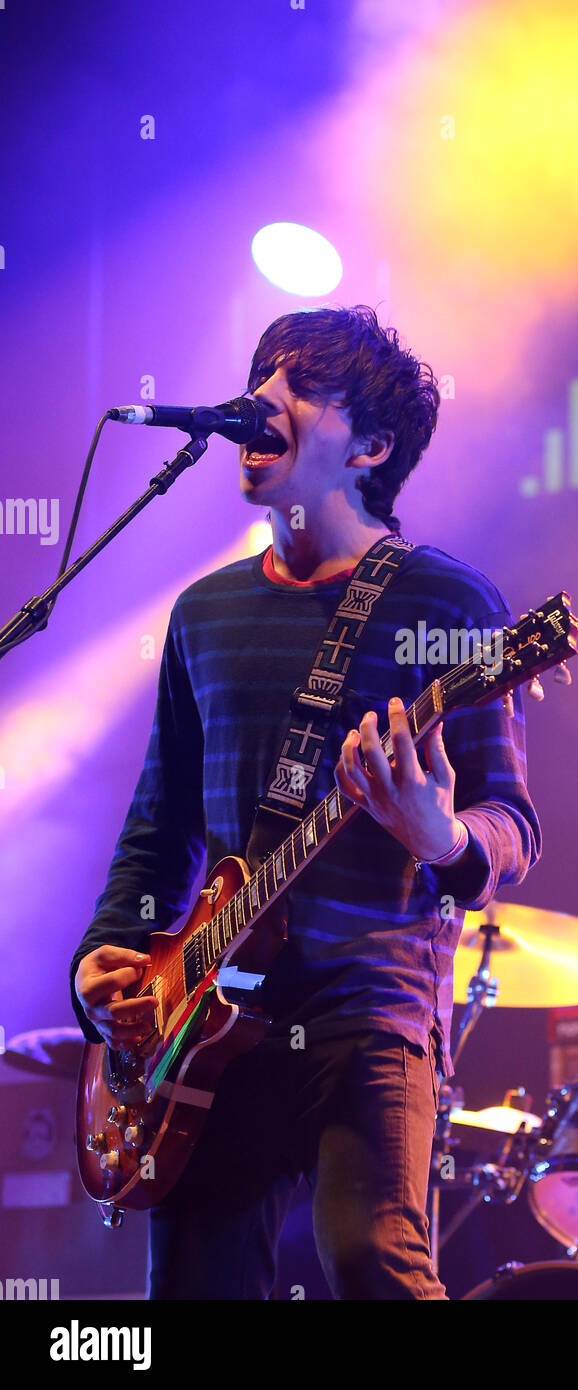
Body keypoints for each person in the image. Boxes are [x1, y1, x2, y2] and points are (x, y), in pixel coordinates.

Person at [70, 305, 541, 1300]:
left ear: (370, 444)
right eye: (258, 372)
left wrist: (438, 834)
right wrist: (101, 970)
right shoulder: (202, 611)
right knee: (194, 1285)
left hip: (368, 1000)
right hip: (208, 1012)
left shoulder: (445, 605)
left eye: (298, 383)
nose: (259, 396)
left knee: (371, 1258)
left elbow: (511, 828)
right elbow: (160, 831)